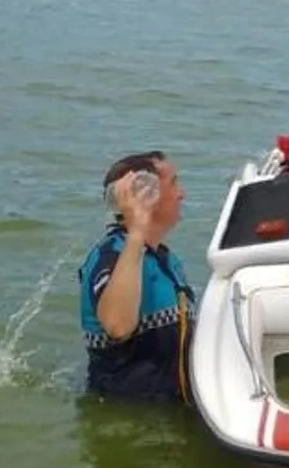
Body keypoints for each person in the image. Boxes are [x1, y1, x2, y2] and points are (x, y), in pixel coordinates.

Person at [78, 150, 196, 403]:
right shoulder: (109, 257)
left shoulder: (166, 258)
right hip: (127, 421)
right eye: (174, 183)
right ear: (146, 194)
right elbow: (118, 325)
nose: (181, 193)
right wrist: (137, 231)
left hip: (170, 409)